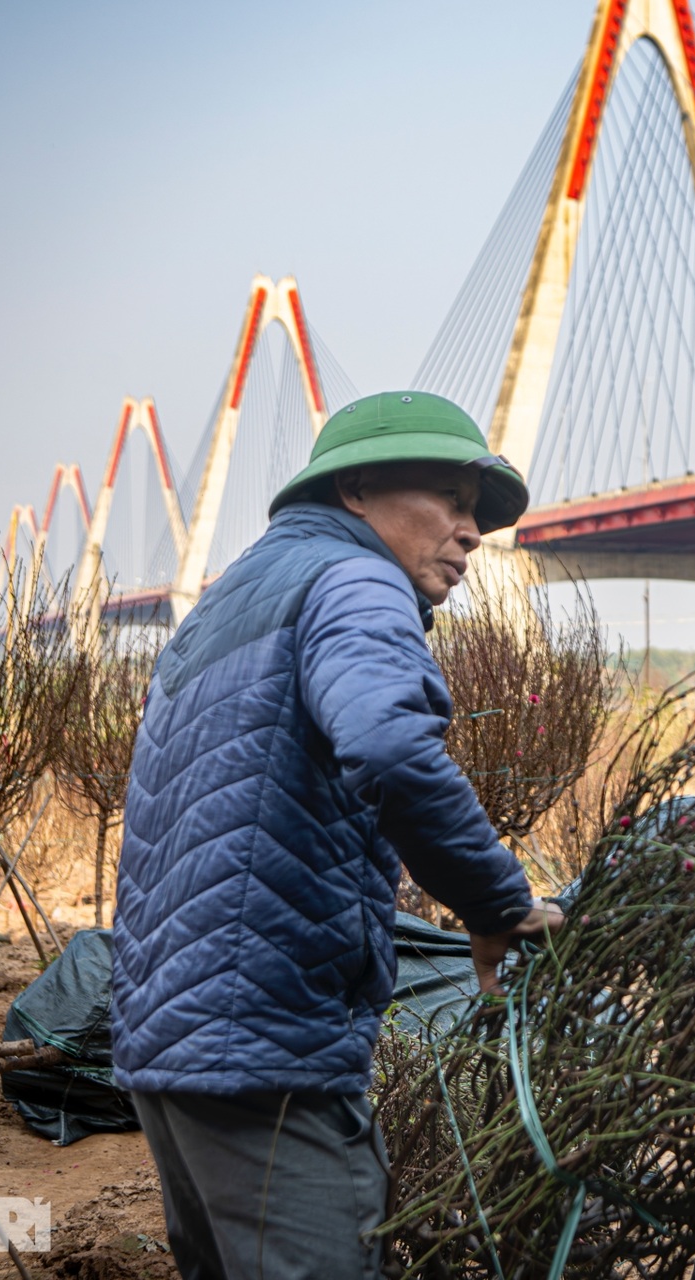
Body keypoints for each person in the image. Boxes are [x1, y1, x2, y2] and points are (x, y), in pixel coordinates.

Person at [111, 391, 564, 1280]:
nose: (473, 532)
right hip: (268, 1045)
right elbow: (391, 745)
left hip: (171, 1041)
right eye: (452, 499)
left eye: (480, 513)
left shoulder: (223, 602)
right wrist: (497, 902)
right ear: (357, 489)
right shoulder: (355, 581)